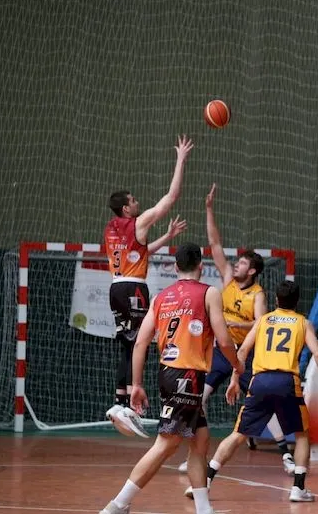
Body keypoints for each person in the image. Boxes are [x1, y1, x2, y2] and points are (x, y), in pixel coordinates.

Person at [99, 242, 243, 514]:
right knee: (166, 445)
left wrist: (137, 385)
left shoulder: (161, 297)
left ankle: (204, 509)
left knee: (201, 440)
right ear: (202, 266)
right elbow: (224, 340)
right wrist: (238, 365)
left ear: (176, 267)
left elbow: (140, 344)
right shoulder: (209, 293)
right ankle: (117, 505)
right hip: (187, 375)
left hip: (169, 373)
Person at [177, 184, 294, 475]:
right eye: (238, 261)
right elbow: (215, 244)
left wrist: (233, 323)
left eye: (242, 262)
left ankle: (286, 454)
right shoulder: (228, 278)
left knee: (261, 405)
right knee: (198, 398)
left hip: (245, 357)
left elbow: (261, 323)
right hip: (218, 352)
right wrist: (208, 209)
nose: (236, 264)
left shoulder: (258, 295)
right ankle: (195, 456)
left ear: (252, 271)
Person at [184, 280, 318, 502]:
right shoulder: (303, 323)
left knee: (238, 434)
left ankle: (205, 481)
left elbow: (244, 350)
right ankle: (298, 488)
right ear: (298, 301)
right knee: (302, 434)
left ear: (276, 300)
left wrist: (235, 379)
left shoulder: (264, 320)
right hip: (287, 381)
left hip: (259, 380)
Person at [104, 135, 194, 437]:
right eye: (133, 201)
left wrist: (166, 239)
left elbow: (138, 251)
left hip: (116, 288)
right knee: (137, 344)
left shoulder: (112, 228)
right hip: (132, 291)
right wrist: (180, 159)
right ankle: (130, 404)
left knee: (126, 346)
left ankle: (119, 402)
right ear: (126, 209)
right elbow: (171, 197)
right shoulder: (137, 222)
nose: (137, 202)